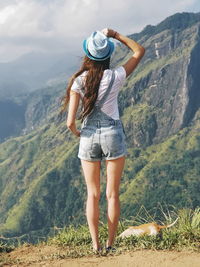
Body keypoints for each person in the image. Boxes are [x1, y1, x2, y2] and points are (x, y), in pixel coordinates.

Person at [61, 28, 145, 252]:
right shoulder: (116, 76)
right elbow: (139, 51)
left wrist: (79, 133)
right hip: (112, 135)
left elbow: (70, 122)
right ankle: (110, 245)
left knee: (93, 194)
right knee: (112, 194)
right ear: (107, 55)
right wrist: (115, 35)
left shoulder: (79, 81)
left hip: (88, 136)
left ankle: (95, 245)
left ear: (88, 55)